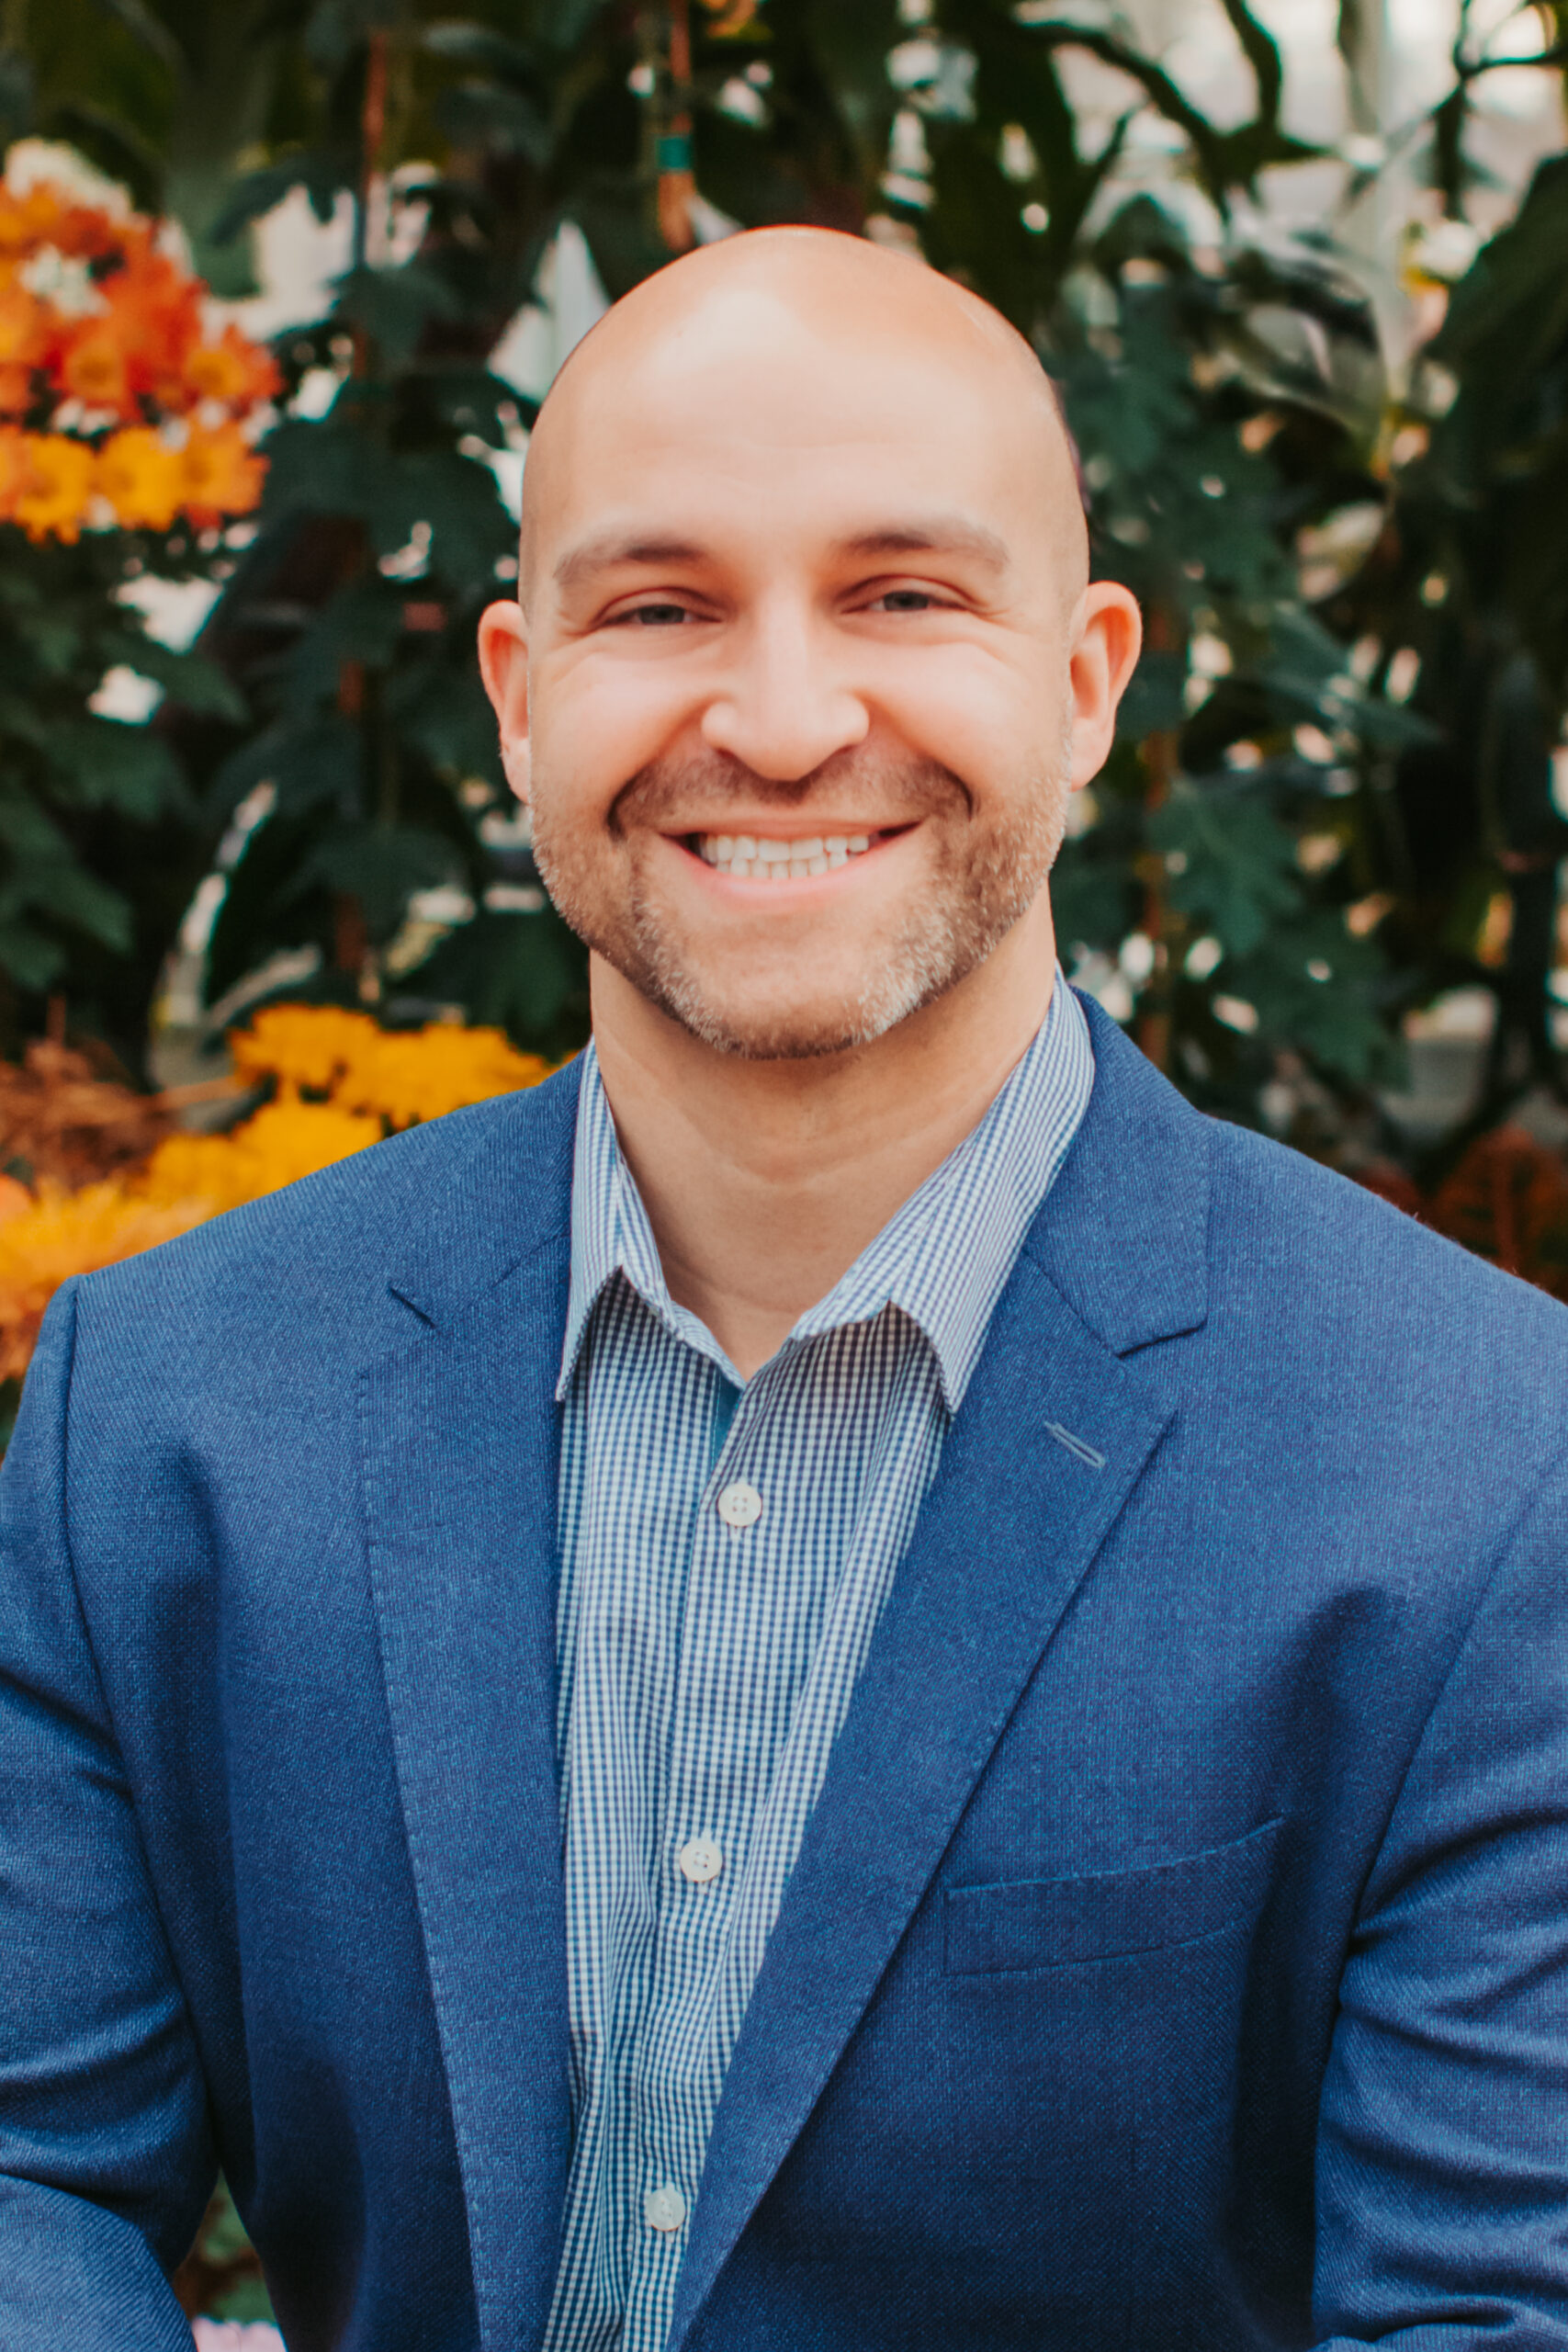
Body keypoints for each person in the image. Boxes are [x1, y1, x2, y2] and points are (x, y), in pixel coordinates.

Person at [2, 226, 1567, 2352]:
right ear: (519, 693)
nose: (779, 714)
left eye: (899, 595)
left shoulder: (1474, 1459)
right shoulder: (168, 1405)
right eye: (659, 607)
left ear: (1089, 677)